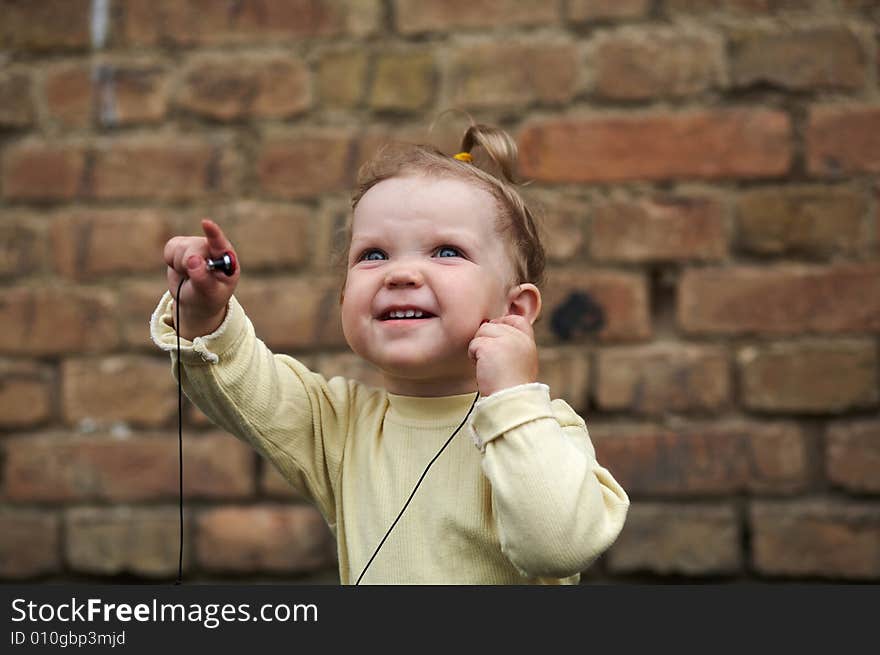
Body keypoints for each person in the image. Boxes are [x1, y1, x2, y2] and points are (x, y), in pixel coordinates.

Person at [150, 121, 629, 584]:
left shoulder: (543, 429)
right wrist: (204, 314)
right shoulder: (339, 425)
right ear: (344, 299)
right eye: (373, 255)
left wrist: (513, 398)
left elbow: (555, 548)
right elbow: (239, 379)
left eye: (445, 252)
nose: (400, 274)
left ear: (515, 308)